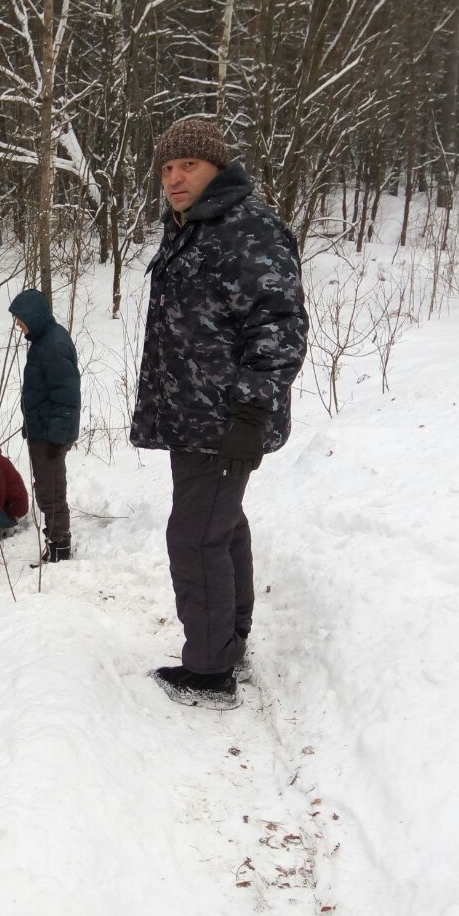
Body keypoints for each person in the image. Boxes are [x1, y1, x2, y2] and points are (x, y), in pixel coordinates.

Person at [133, 117, 308, 711]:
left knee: (196, 535)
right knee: (221, 524)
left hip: (227, 417)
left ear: (216, 168)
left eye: (189, 166)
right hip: (195, 416)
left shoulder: (246, 229)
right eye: (167, 168)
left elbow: (279, 326)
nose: (175, 178)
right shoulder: (190, 228)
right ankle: (229, 637)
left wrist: (251, 410)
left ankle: (209, 669)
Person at [8, 288, 81, 563]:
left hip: (50, 434)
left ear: (33, 316)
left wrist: (56, 438)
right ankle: (55, 541)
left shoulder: (53, 345)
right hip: (42, 430)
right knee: (46, 487)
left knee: (51, 490)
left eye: (20, 318)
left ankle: (59, 548)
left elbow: (67, 395)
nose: (18, 324)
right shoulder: (42, 341)